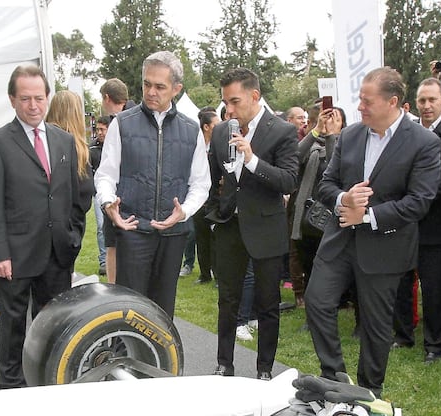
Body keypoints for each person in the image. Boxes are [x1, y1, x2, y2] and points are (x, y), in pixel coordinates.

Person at [305, 66, 441, 394]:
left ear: (392, 102)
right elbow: (326, 184)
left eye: (367, 101)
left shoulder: (424, 143)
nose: (360, 107)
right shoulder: (350, 135)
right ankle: (335, 377)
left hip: (385, 247)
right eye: (360, 100)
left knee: (376, 326)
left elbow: (419, 202)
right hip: (339, 240)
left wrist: (365, 216)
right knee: (317, 301)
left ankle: (369, 392)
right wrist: (344, 199)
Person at [0, 64, 88, 389]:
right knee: (13, 330)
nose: (33, 105)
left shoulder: (64, 141)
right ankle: (11, 390)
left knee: (53, 326)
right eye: (25, 98)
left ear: (47, 98)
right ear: (13, 99)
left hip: (57, 253)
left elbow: (71, 196)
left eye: (38, 98)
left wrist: (72, 238)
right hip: (15, 257)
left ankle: (47, 385)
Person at [94, 52, 210, 319]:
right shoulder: (122, 124)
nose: (151, 92)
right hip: (132, 228)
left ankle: (158, 361)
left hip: (172, 235)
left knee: (162, 311)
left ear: (177, 89)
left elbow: (201, 183)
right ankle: (124, 358)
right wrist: (108, 203)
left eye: (160, 86)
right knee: (127, 308)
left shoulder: (190, 130)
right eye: (147, 84)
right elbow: (105, 174)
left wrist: (185, 211)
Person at [206, 67, 299, 380]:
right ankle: (224, 365)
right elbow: (212, 177)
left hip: (266, 229)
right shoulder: (220, 132)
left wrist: (252, 160)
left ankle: (264, 369)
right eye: (225, 103)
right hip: (229, 227)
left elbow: (288, 181)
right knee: (227, 300)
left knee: (267, 303)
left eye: (234, 102)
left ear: (255, 96)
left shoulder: (282, 131)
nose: (229, 110)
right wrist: (214, 214)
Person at [392, 77, 441, 363]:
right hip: (403, 222)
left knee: (435, 287)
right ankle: (402, 335)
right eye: (422, 100)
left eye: (432, 100)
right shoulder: (405, 133)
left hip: (436, 223)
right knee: (401, 282)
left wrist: (418, 195)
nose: (427, 106)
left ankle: (436, 345)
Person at [290, 104, 346, 310]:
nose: (330, 121)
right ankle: (312, 307)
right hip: (307, 216)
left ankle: (331, 304)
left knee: (328, 267)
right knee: (309, 263)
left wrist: (332, 136)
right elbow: (294, 157)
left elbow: (336, 168)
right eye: (326, 117)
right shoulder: (313, 143)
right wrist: (317, 131)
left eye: (335, 118)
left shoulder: (346, 144)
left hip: (332, 215)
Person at [192, 109, 220, 284]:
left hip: (215, 199)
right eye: (216, 125)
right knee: (201, 239)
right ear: (207, 127)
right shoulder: (196, 147)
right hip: (199, 201)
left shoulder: (221, 145)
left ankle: (218, 274)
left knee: (217, 239)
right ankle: (204, 274)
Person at [90, 115, 112, 276]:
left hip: (115, 192)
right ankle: (104, 260)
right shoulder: (92, 149)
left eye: (102, 129)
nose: (99, 132)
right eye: (97, 129)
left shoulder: (116, 147)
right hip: (98, 193)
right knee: (100, 226)